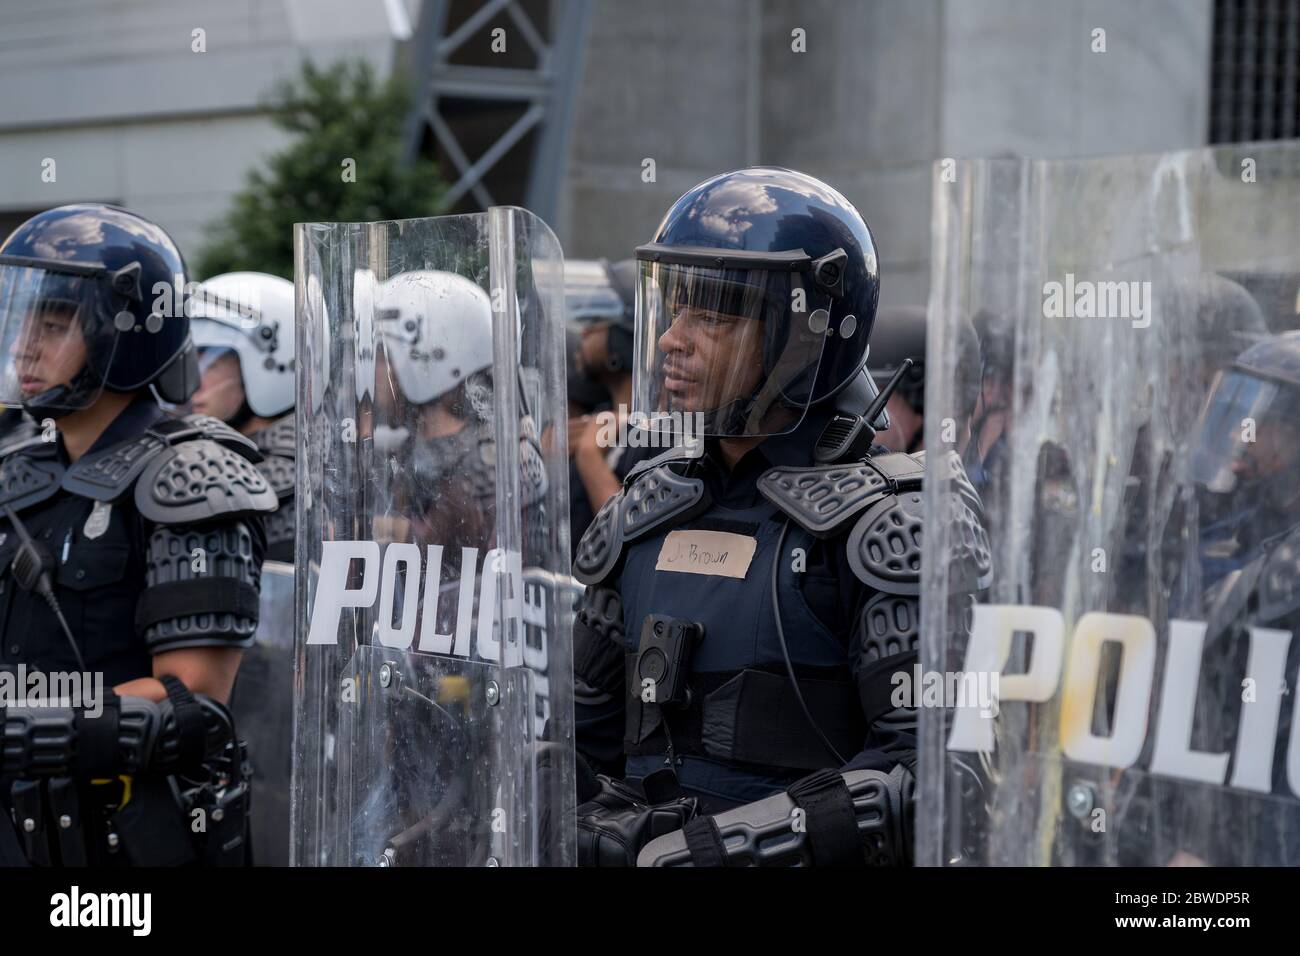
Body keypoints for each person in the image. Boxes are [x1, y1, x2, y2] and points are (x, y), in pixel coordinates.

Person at [569, 167, 991, 866]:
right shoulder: (644, 508)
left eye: (713, 313)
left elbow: (941, 778)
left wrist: (718, 850)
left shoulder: (897, 524)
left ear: (804, 336)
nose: (673, 339)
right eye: (675, 309)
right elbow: (584, 737)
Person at [0, 204, 278, 866]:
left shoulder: (196, 474)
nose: (25, 346)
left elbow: (195, 703)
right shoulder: (17, 471)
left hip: (129, 847)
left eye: (56, 321)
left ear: (124, 333)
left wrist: (24, 727)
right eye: (22, 316)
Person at [188, 272, 296, 562]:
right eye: (188, 361)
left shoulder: (304, 482)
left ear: (271, 365)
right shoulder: (199, 455)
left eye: (209, 361)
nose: (190, 382)